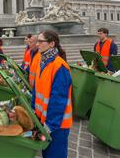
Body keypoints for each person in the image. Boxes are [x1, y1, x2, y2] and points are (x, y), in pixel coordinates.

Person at [31, 30, 72, 158]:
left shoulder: (60, 66)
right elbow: (36, 90)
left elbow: (58, 101)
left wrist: (49, 126)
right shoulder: (42, 61)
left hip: (57, 126)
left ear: (51, 44)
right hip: (45, 121)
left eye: (40, 41)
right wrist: (34, 111)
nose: (37, 44)